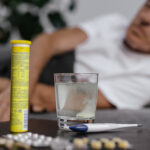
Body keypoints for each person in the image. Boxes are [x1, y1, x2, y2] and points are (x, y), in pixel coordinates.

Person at [0, 0, 150, 122]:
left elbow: (66, 101)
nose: (145, 18)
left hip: (36, 89)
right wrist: (21, 86)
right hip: (25, 67)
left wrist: (15, 90)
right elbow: (47, 41)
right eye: (147, 7)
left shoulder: (145, 78)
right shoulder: (114, 23)